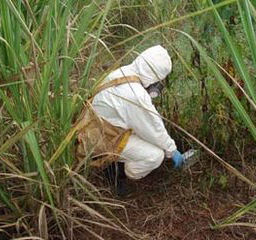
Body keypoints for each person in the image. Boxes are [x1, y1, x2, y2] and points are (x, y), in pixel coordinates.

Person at [77, 45, 185, 195]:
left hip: (90, 127)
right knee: (155, 155)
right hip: (99, 139)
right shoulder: (136, 95)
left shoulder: (121, 73)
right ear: (155, 76)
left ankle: (116, 162)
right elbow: (154, 129)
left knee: (142, 135)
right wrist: (171, 151)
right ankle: (115, 173)